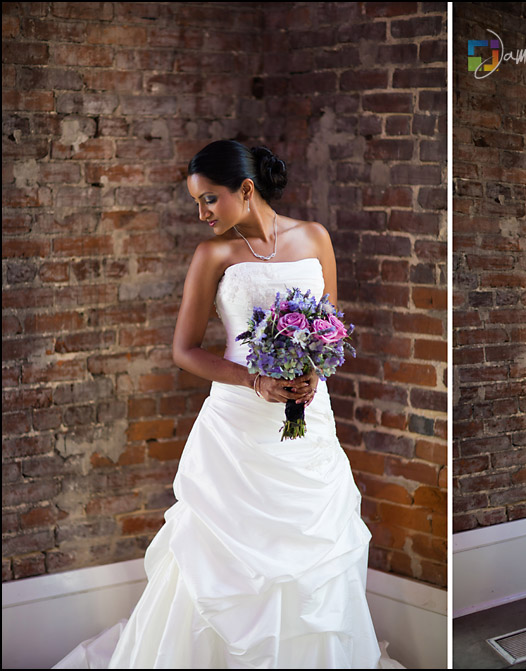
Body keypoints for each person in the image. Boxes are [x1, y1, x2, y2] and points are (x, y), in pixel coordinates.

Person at [54, 140, 402, 669]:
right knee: (224, 562)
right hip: (238, 426)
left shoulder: (314, 237)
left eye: (209, 200)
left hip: (309, 416)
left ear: (245, 189)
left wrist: (313, 368)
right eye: (197, 203)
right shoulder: (212, 254)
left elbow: (330, 320)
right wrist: (255, 380)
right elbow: (184, 350)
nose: (202, 214)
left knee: (314, 554)